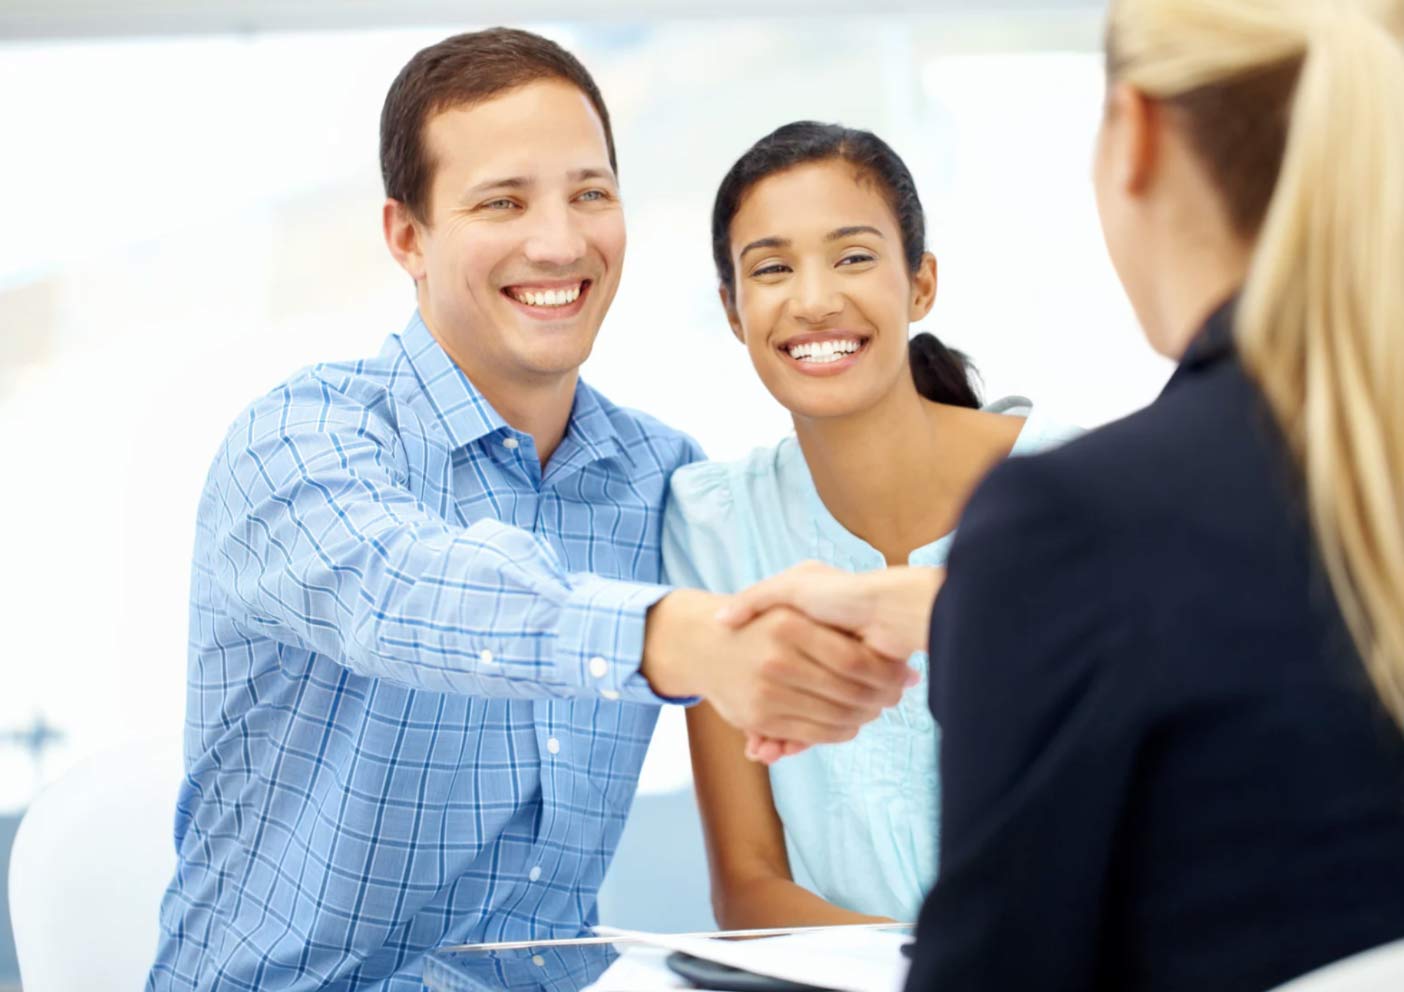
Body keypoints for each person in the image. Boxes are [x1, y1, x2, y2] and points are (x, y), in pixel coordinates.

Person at [146, 29, 915, 992]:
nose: (560, 241)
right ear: (406, 236)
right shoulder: (297, 442)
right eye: (502, 201)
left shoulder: (659, 477)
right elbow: (406, 590)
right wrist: (674, 636)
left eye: (590, 193)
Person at [728, 1, 1404, 988]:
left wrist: (1009, 596)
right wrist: (973, 610)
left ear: (1133, 133)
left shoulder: (1079, 515)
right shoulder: (1331, 467)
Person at [661, 122, 1080, 928]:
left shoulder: (1073, 487)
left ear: (920, 284)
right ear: (733, 310)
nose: (814, 299)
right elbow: (750, 890)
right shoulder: (711, 525)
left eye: (853, 257)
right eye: (772, 268)